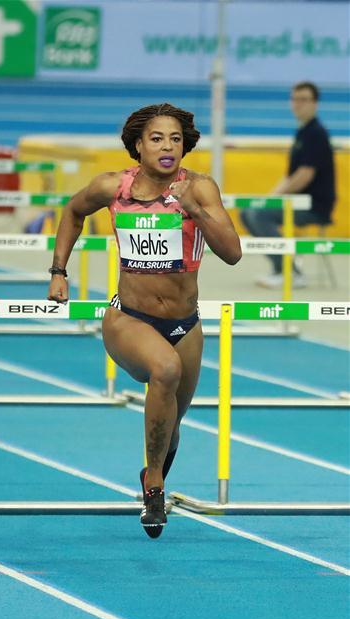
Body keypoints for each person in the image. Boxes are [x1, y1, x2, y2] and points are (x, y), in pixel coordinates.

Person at [47, 104, 242, 538]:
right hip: (128, 319)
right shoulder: (114, 187)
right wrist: (59, 271)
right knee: (164, 369)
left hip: (185, 324)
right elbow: (73, 212)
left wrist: (197, 210)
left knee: (172, 429)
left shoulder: (201, 189)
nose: (167, 146)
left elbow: (233, 254)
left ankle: (154, 469)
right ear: (138, 145)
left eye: (174, 139)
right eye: (156, 138)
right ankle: (154, 487)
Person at [240, 81, 336, 289]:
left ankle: (291, 272)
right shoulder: (302, 133)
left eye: (304, 99)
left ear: (315, 103)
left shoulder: (316, 134)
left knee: (259, 214)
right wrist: (266, 199)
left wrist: (271, 201)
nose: (298, 104)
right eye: (295, 99)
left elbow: (304, 175)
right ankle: (280, 267)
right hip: (296, 202)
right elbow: (290, 176)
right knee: (248, 211)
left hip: (313, 207)